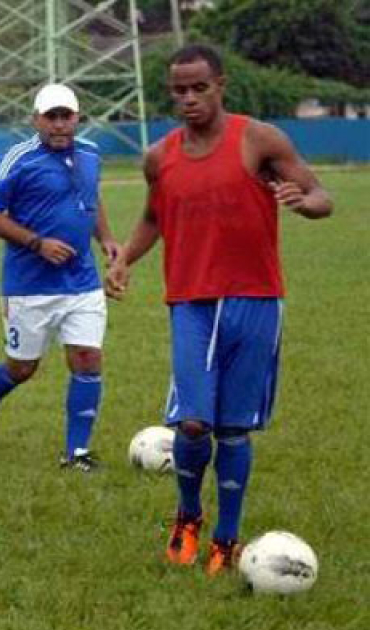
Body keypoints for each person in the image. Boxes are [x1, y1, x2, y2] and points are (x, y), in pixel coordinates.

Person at [106, 44, 332, 575]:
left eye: (198, 88)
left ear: (220, 85)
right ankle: (187, 516)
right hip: (190, 302)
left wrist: (305, 204)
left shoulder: (258, 140)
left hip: (254, 301)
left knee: (233, 430)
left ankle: (227, 539)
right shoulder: (159, 156)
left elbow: (321, 194)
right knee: (191, 424)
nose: (188, 99)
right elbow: (153, 218)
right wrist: (124, 261)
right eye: (179, 91)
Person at [0, 84, 119, 472]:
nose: (60, 124)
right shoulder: (19, 158)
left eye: (67, 116)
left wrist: (108, 238)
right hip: (28, 286)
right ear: (36, 120)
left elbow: (91, 197)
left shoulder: (91, 154)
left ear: (78, 118)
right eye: (51, 117)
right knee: (21, 369)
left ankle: (76, 453)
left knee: (87, 358)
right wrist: (37, 243)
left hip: (81, 282)